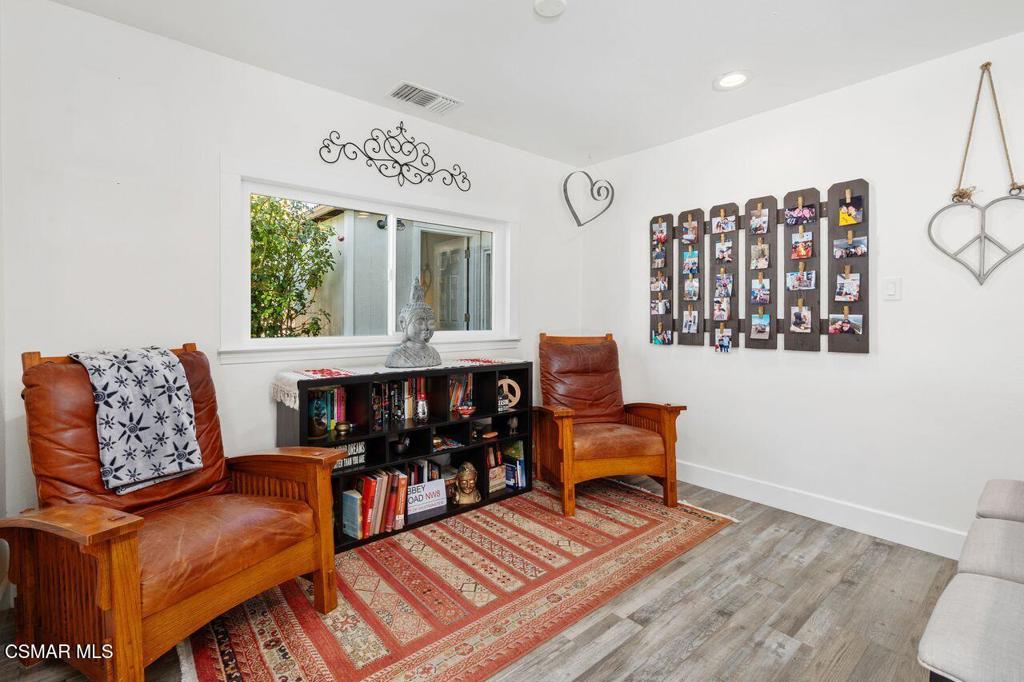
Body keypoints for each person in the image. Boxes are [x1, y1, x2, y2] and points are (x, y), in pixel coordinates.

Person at [385, 279, 442, 367]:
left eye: (430, 323)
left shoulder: (434, 354)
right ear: (403, 324)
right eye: (420, 322)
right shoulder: (397, 357)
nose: (426, 327)